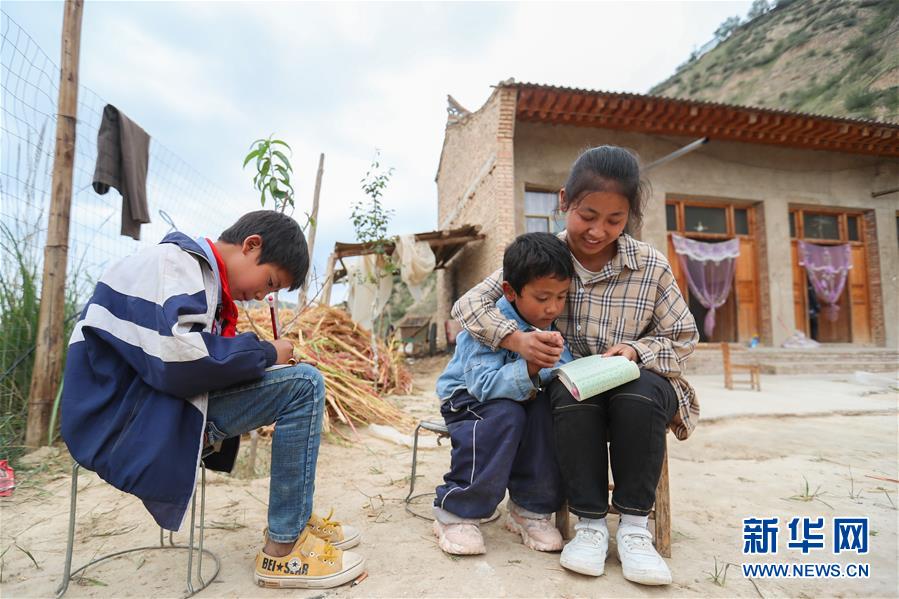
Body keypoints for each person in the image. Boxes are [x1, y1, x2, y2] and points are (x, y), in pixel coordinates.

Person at [61, 210, 365, 589]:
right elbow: (176, 360)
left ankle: (296, 518)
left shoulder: (200, 278)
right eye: (269, 282)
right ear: (251, 245)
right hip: (124, 419)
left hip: (153, 403)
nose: (261, 296)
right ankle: (283, 552)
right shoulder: (176, 264)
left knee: (297, 382)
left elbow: (183, 357)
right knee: (303, 385)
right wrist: (266, 353)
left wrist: (264, 360)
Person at [452, 146, 699, 585]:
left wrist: (635, 351)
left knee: (637, 395)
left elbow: (683, 337)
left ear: (629, 219)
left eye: (614, 220)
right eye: (588, 215)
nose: (597, 231)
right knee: (567, 391)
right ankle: (588, 526)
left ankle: (635, 529)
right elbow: (470, 304)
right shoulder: (544, 257)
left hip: (638, 381)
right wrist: (515, 339)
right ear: (564, 201)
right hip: (570, 380)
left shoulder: (650, 267)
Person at [433, 233, 574, 556]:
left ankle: (530, 508)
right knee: (504, 415)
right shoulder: (487, 322)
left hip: (519, 398)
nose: (552, 307)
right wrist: (530, 368)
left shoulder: (549, 323)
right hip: (468, 399)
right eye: (542, 298)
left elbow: (558, 368)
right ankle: (457, 511)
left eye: (562, 296)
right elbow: (482, 385)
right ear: (510, 291)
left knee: (545, 413)